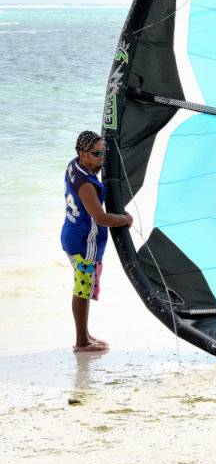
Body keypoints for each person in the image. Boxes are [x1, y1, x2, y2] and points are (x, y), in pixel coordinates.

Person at [61, 131, 133, 353]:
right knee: (82, 290)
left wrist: (96, 167)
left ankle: (85, 334)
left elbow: (89, 172)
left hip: (72, 234)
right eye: (97, 153)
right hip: (85, 243)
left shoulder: (75, 166)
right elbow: (100, 218)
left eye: (103, 151)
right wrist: (125, 220)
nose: (102, 156)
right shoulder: (86, 185)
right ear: (83, 153)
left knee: (83, 288)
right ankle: (81, 341)